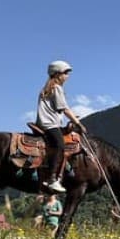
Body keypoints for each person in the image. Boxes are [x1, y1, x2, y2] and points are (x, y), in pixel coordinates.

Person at [36, 60, 86, 193]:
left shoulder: (46, 88)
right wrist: (77, 123)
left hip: (45, 123)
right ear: (58, 74)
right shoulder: (56, 88)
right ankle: (52, 179)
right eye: (65, 73)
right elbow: (64, 109)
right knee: (60, 145)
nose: (67, 76)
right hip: (50, 124)